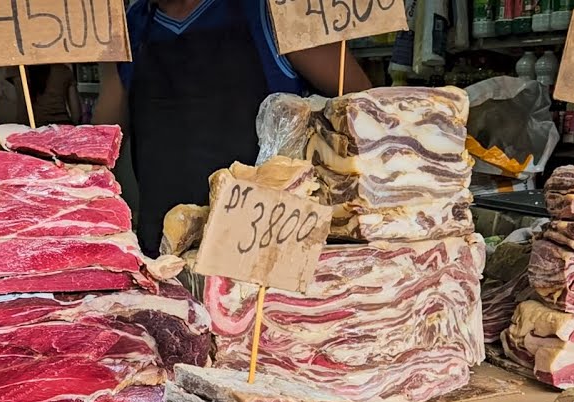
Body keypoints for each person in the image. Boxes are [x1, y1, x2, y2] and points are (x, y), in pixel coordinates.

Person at [93, 0, 370, 256]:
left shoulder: (274, 10)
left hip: (267, 251)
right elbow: (99, 148)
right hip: (166, 255)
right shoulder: (129, 28)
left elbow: (369, 113)